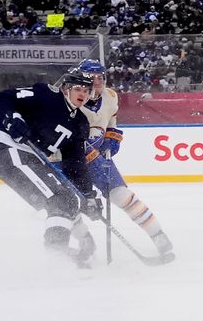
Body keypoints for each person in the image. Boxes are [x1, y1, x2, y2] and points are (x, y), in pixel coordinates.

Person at [0, 66, 104, 265]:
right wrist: (12, 119)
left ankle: (81, 242)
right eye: (78, 89)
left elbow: (74, 163)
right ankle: (56, 253)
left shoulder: (80, 123)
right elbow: (0, 97)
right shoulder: (46, 95)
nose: (82, 94)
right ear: (66, 89)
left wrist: (88, 195)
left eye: (86, 90)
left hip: (32, 158)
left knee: (66, 198)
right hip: (9, 149)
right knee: (62, 197)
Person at [73, 59, 175, 262]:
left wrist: (111, 137)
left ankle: (158, 235)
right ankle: (85, 240)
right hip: (69, 160)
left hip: (96, 158)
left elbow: (111, 120)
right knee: (67, 202)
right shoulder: (70, 99)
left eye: (100, 78)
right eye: (92, 78)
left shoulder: (110, 96)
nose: (98, 82)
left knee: (122, 195)